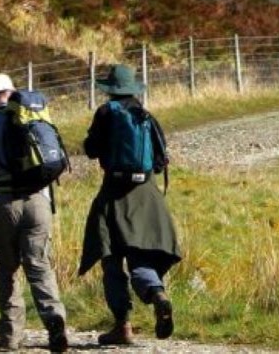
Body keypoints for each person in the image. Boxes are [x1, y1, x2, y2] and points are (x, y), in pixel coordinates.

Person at [78, 64, 181, 346]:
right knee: (141, 258)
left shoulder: (106, 113)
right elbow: (160, 163)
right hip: (147, 194)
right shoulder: (146, 116)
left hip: (113, 193)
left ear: (110, 89)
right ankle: (157, 293)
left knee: (111, 259)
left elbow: (90, 150)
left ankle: (122, 325)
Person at [0, 73, 69, 353]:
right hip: (38, 200)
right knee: (39, 265)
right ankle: (55, 320)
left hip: (4, 202)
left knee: (7, 268)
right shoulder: (35, 116)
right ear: (12, 92)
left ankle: (11, 336)